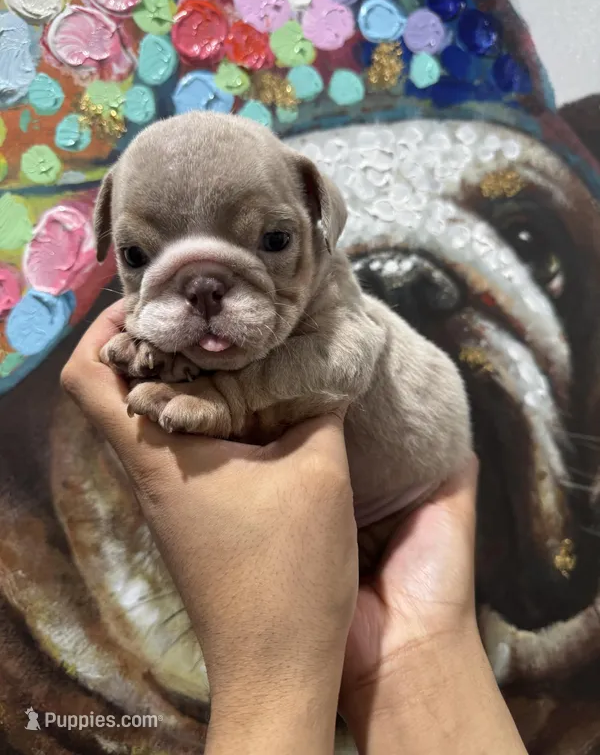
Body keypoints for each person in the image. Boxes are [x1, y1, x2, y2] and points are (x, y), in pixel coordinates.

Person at [61, 302, 528, 755]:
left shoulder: (335, 319)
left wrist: (272, 677)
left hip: (396, 498)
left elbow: (346, 353)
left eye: (275, 239)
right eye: (138, 255)